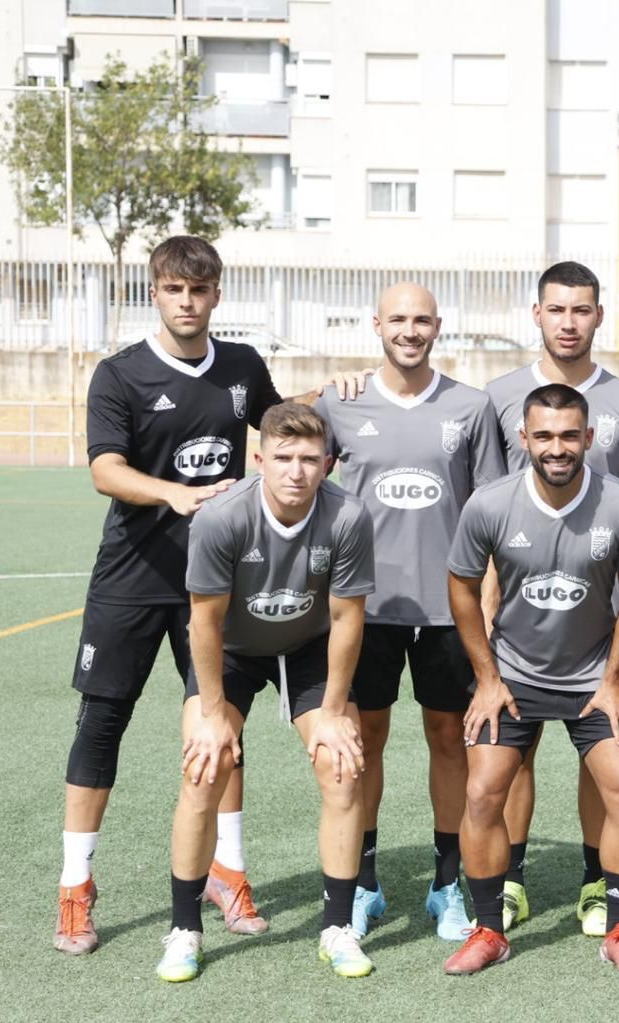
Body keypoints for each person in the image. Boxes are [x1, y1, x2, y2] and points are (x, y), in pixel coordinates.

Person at [56, 235, 288, 954]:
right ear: (154, 292)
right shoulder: (119, 373)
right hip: (131, 580)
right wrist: (174, 494)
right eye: (174, 289)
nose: (187, 302)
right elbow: (105, 470)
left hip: (215, 586)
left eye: (200, 289)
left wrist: (338, 393)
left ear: (217, 294)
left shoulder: (243, 365)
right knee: (102, 725)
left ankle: (229, 872)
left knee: (223, 729)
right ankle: (75, 887)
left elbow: (282, 426)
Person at [483, 261, 619, 935]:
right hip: (518, 618)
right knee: (513, 754)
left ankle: (597, 883)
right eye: (557, 309)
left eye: (581, 310)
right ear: (536, 314)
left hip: (599, 623)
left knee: (601, 755)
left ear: (599, 316)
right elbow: (486, 511)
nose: (569, 322)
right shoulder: (499, 397)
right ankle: (509, 881)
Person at [441, 384, 619, 977]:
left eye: (568, 436)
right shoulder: (489, 504)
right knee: (482, 793)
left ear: (588, 437)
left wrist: (614, 679)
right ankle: (489, 930)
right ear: (524, 439)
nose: (556, 448)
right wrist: (487, 678)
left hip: (593, 677)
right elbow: (461, 587)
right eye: (543, 436)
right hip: (513, 676)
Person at [157, 402, 377, 982]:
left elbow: (347, 618)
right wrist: (212, 714)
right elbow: (204, 622)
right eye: (283, 457)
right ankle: (184, 929)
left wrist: (334, 711)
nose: (296, 471)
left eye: (309, 459)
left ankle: (337, 927)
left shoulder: (349, 516)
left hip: (309, 647)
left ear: (328, 463)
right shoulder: (221, 518)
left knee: (342, 768)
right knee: (204, 768)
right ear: (259, 460)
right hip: (233, 649)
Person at [314, 282, 505, 941]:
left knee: (450, 740)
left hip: (449, 609)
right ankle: (364, 883)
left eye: (421, 319)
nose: (410, 330)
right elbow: (293, 461)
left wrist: (488, 603)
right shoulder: (340, 402)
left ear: (438, 326)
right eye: (397, 319)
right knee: (363, 740)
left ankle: (446, 886)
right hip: (363, 609)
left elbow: (489, 513)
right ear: (376, 325)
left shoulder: (471, 407)